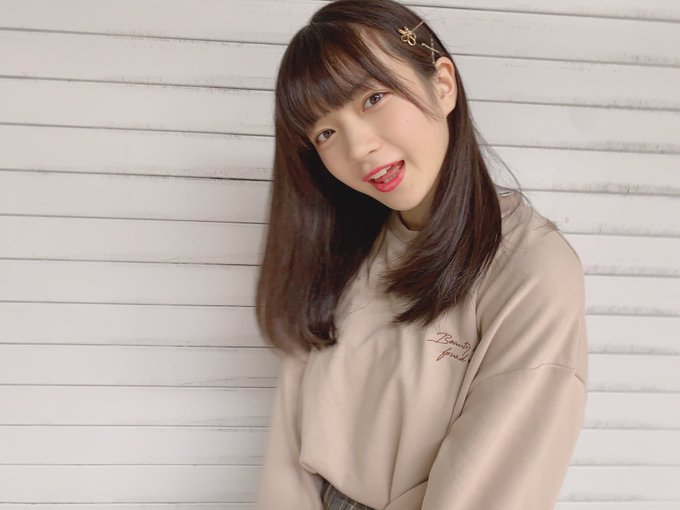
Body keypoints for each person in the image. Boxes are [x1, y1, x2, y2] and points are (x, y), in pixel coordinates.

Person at [254, 0, 588, 508]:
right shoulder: (340, 247)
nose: (357, 148)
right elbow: (288, 451)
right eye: (325, 132)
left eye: (373, 98)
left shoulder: (531, 269)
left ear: (443, 84)